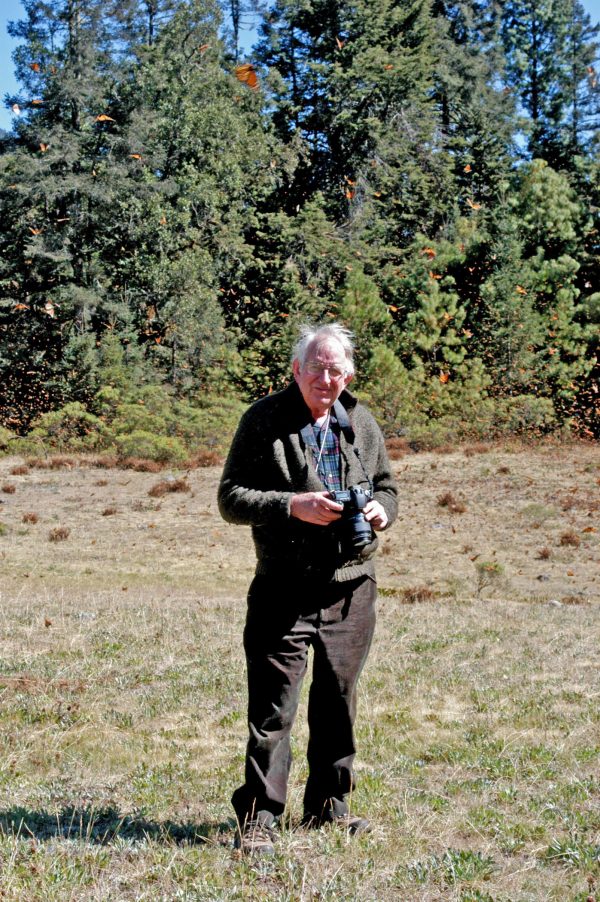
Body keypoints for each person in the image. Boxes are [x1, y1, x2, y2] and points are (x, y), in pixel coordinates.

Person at [218, 322, 398, 855]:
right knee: (274, 710)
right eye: (316, 366)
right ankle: (259, 821)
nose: (326, 377)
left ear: (349, 374)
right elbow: (230, 498)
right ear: (296, 369)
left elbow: (387, 484)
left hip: (351, 590)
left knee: (338, 702)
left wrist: (380, 510)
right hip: (283, 588)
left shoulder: (360, 421)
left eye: (336, 368)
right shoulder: (264, 420)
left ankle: (328, 811)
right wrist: (291, 505)